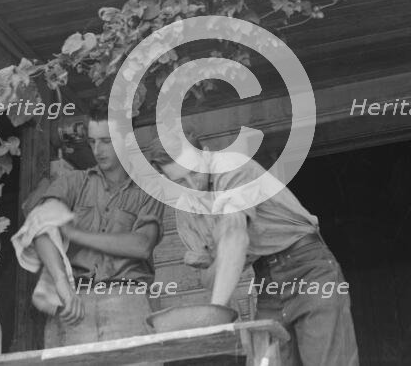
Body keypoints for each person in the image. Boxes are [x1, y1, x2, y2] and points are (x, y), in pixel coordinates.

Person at [146, 133, 359, 366]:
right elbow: (209, 278)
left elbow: (236, 235)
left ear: (205, 153)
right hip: (267, 282)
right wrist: (221, 257)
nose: (192, 185)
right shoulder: (185, 210)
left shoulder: (230, 168)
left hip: (309, 270)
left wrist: (214, 316)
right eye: (179, 181)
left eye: (194, 172)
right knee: (267, 360)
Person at [26, 100, 165, 348]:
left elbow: (141, 245)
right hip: (75, 304)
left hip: (129, 303)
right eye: (92, 142)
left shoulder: (149, 188)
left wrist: (74, 234)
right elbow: (40, 227)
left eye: (107, 141)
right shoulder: (73, 181)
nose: (98, 149)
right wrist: (62, 285)